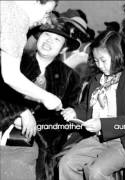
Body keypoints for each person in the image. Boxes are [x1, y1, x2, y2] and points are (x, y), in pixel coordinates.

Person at [59, 30, 125, 180]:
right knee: (66, 163)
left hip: (122, 143)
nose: (99, 65)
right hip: (97, 139)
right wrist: (74, 113)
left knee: (96, 171)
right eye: (96, 60)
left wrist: (103, 124)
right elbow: (86, 109)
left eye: (103, 60)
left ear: (118, 56)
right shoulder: (96, 80)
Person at [0, 20, 82, 180]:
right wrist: (20, 113)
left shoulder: (70, 76)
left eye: (57, 39)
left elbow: (70, 113)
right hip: (6, 123)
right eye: (46, 34)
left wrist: (41, 126)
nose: (49, 41)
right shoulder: (13, 63)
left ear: (64, 48)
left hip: (46, 135)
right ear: (38, 36)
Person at [0, 0, 62, 113]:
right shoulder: (18, 16)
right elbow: (11, 76)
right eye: (47, 12)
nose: (44, 20)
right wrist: (47, 97)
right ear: (35, 2)